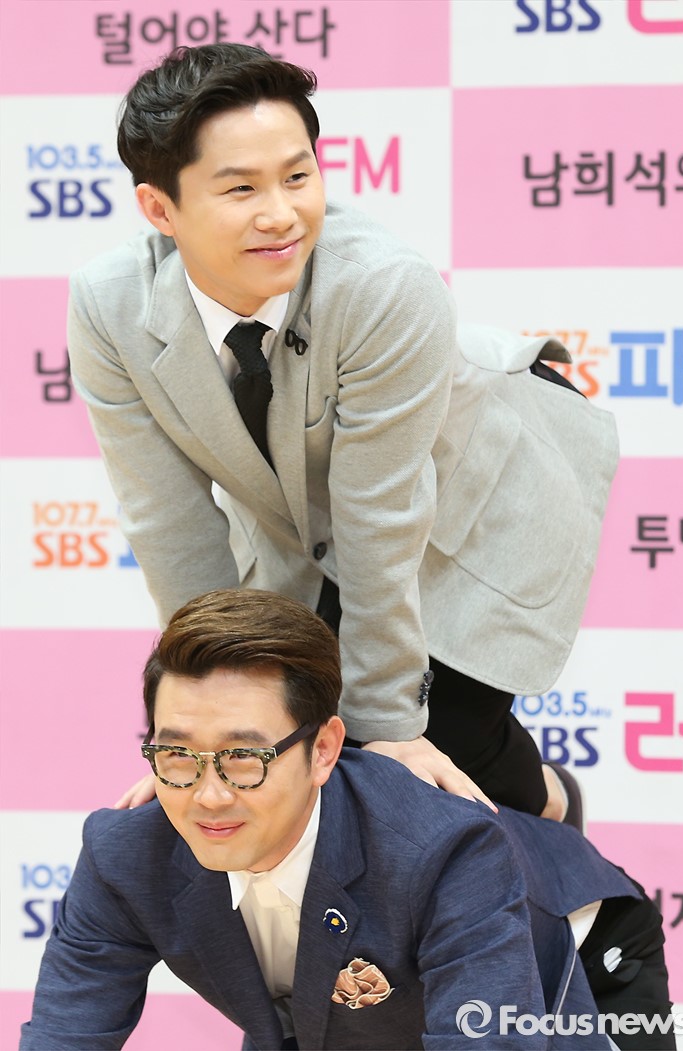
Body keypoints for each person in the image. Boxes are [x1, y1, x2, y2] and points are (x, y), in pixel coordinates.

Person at [68, 42, 619, 817]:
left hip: (476, 485)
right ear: (160, 209)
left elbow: (380, 519)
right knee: (295, 741)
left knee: (416, 751)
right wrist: (199, 727)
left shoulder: (383, 286)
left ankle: (556, 803)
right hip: (309, 515)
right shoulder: (110, 307)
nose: (280, 214)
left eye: (298, 177)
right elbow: (171, 524)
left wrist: (390, 727)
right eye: (241, 188)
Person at [21, 590, 674, 1051]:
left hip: (569, 948)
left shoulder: (442, 850)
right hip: (336, 1010)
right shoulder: (126, 851)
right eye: (178, 754)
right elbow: (64, 1034)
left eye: (244, 757)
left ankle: (549, 808)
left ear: (324, 749)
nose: (208, 796)